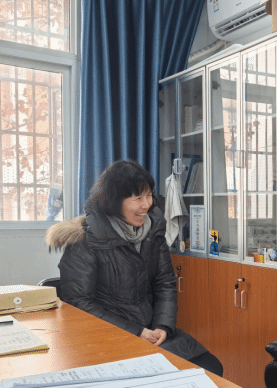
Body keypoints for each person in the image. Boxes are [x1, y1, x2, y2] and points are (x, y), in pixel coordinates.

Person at [46, 160, 223, 376]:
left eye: (149, 195)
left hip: (152, 331)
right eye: (138, 198)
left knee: (212, 368)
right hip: (110, 337)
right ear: (114, 202)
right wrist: (137, 332)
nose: (146, 204)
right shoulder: (85, 241)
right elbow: (79, 302)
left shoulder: (153, 232)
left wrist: (163, 326)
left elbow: (164, 283)